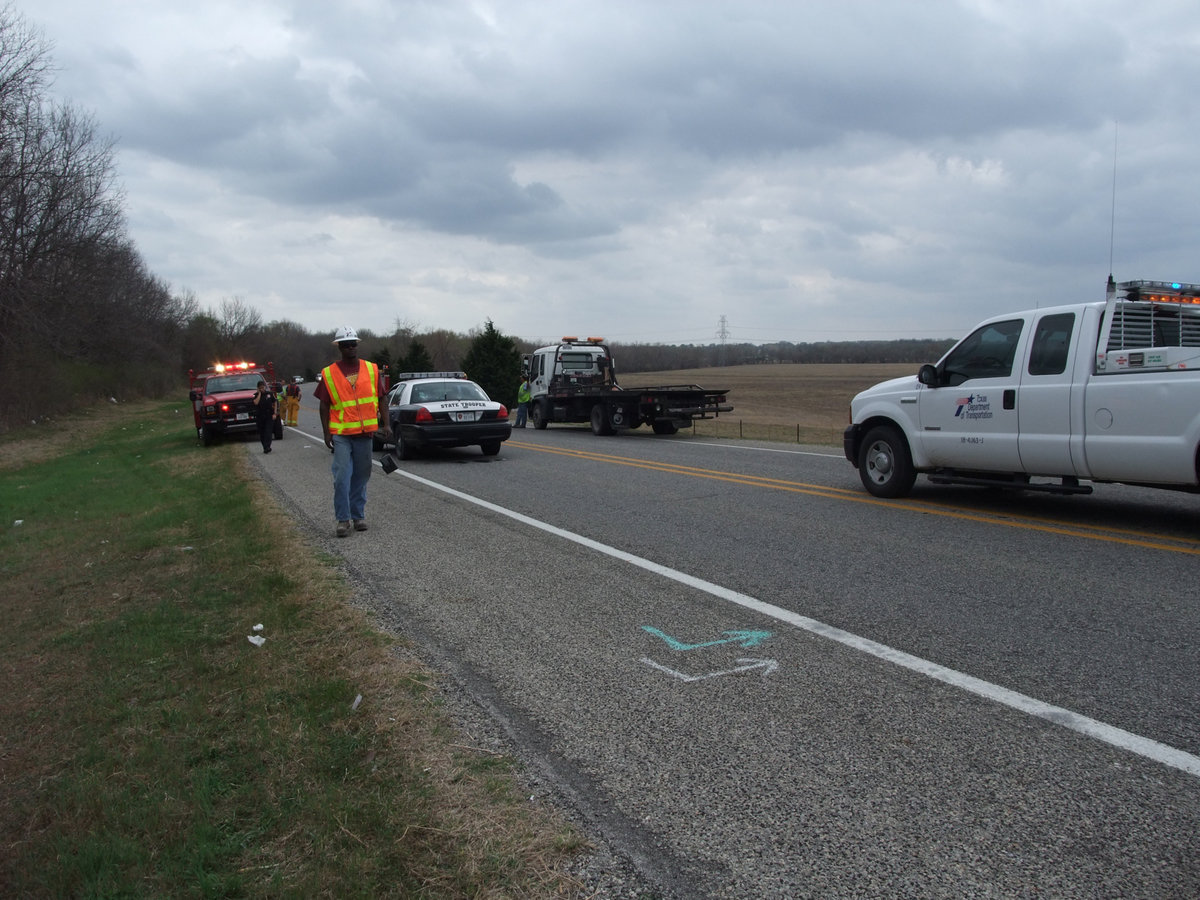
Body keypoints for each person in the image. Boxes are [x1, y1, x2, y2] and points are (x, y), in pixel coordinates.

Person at [315, 327, 391, 538]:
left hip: (364, 434)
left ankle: (358, 516)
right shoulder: (329, 373)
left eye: (353, 344)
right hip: (341, 434)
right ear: (339, 347)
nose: (351, 348)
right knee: (341, 476)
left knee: (361, 476)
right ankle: (343, 519)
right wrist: (326, 433)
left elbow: (382, 398)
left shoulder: (371, 369)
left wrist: (386, 424)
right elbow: (324, 405)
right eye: (346, 345)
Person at [252, 380, 277, 453]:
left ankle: (268, 446)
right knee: (262, 433)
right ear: (258, 388)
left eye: (263, 387)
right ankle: (265, 447)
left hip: (269, 415)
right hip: (260, 416)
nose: (262, 389)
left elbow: (275, 402)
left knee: (268, 431)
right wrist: (259, 393)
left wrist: (275, 413)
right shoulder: (255, 395)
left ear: (265, 387)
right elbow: (256, 403)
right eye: (260, 388)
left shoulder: (269, 394)